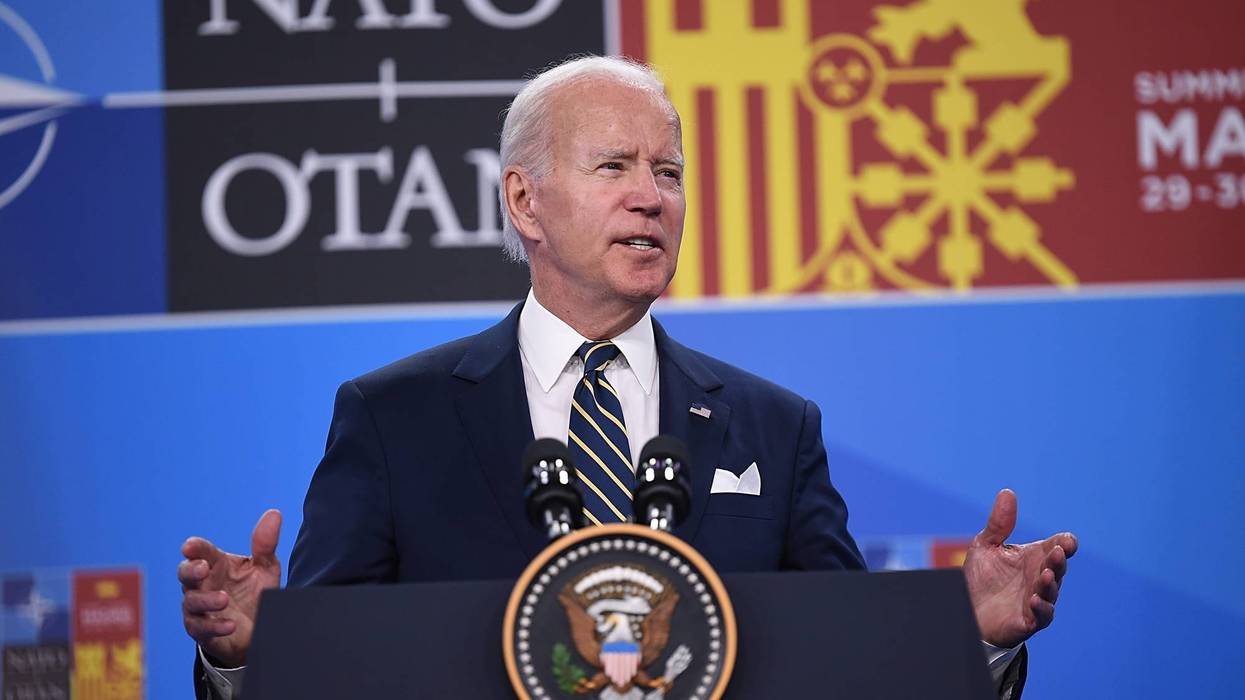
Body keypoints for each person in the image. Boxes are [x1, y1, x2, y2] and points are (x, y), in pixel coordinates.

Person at [178, 55, 1076, 700]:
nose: (652, 196)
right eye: (614, 167)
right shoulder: (390, 418)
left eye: (669, 172)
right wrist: (257, 658)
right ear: (525, 201)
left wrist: (971, 642)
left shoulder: (773, 426)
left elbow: (839, 665)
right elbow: (336, 671)